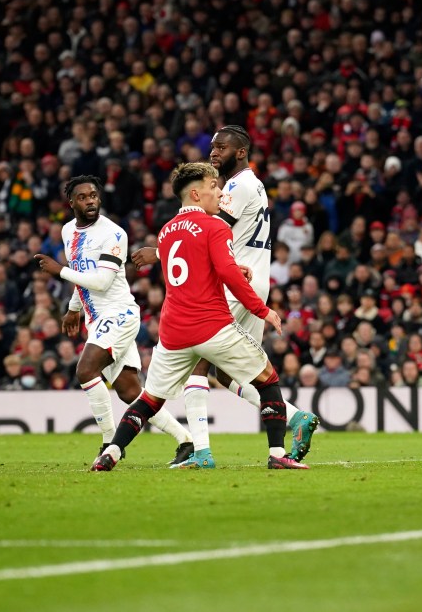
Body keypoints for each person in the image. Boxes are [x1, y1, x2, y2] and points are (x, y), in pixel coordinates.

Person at [92, 163, 307, 471]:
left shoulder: (165, 232)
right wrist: (263, 309)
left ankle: (112, 451)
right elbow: (226, 275)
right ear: (196, 193)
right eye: (213, 187)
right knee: (268, 381)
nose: (219, 192)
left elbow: (196, 274)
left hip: (173, 333)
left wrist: (232, 269)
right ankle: (277, 455)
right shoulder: (215, 226)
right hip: (212, 327)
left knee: (150, 399)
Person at [133, 126, 318, 468]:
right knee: (233, 374)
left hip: (233, 280)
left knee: (195, 359)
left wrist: (158, 252)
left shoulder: (236, 186)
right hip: (252, 277)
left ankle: (200, 451)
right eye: (213, 147)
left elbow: (201, 232)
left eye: (222, 147)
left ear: (241, 152)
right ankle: (295, 418)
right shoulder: (255, 185)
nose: (214, 152)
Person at [34, 175, 193, 464]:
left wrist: (58, 271)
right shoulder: (69, 230)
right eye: (83, 197)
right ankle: (186, 441)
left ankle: (108, 442)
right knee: (130, 391)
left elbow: (103, 281)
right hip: (97, 319)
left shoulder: (114, 233)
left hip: (119, 314)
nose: (91, 200)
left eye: (94, 195)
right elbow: (81, 272)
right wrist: (74, 307)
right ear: (71, 203)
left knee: (85, 371)